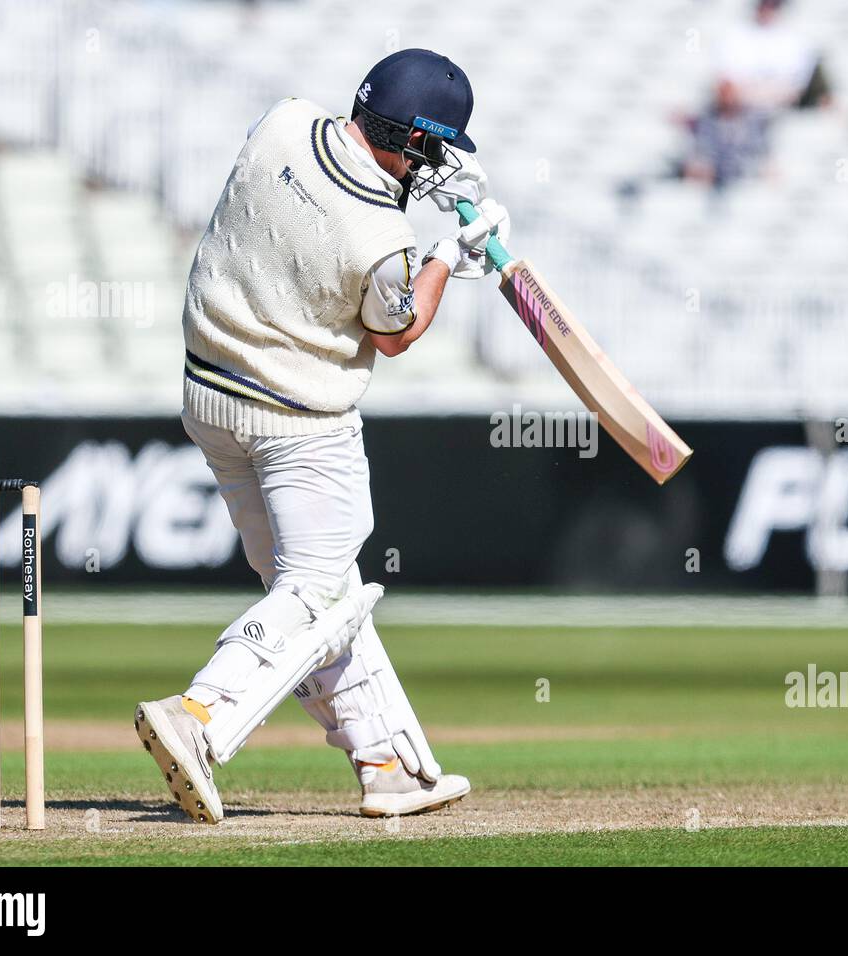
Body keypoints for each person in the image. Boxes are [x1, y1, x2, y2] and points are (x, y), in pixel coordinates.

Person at [134, 49, 509, 821]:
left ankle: (389, 763)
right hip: (298, 421)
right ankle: (200, 716)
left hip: (209, 395)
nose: (431, 169)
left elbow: (311, 200)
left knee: (318, 591)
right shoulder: (376, 237)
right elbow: (397, 327)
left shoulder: (281, 121)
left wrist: (412, 222)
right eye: (431, 152)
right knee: (314, 590)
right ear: (413, 143)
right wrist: (447, 254)